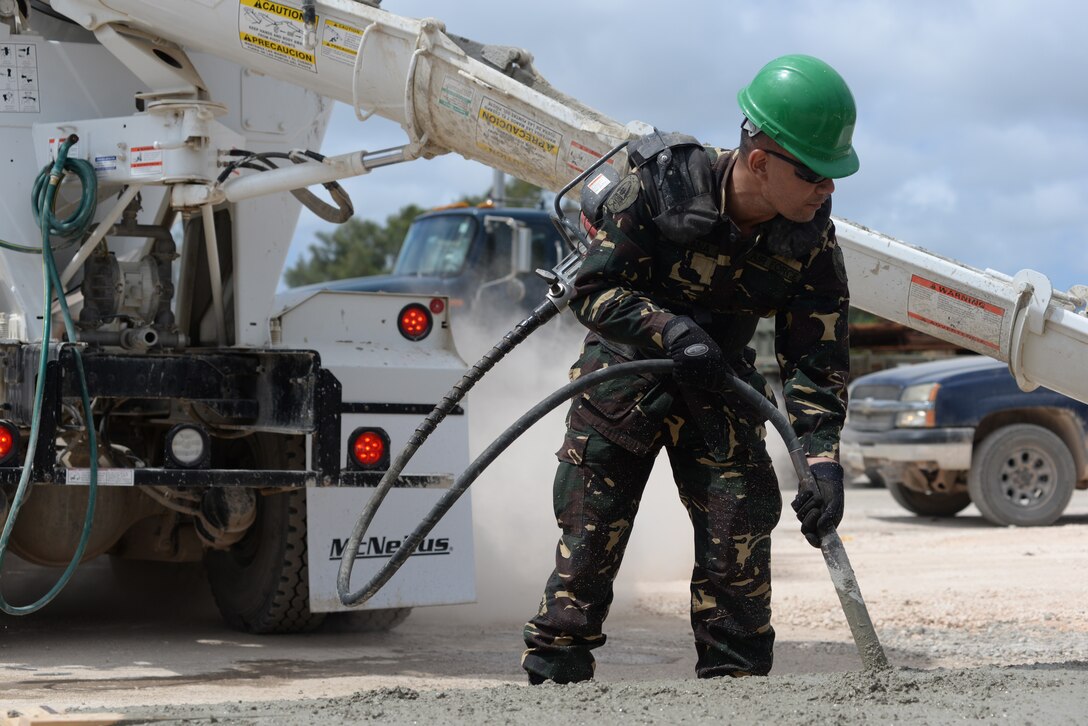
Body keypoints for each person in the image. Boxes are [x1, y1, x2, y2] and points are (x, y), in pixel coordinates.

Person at [522, 54, 859, 683]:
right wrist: (669, 329)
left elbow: (817, 360)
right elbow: (592, 291)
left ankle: (734, 695)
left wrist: (822, 461)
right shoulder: (659, 185)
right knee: (588, 552)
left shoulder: (811, 238)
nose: (827, 189)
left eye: (835, 176)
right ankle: (554, 683)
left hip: (721, 386)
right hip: (622, 382)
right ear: (760, 162)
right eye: (815, 174)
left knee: (740, 545)